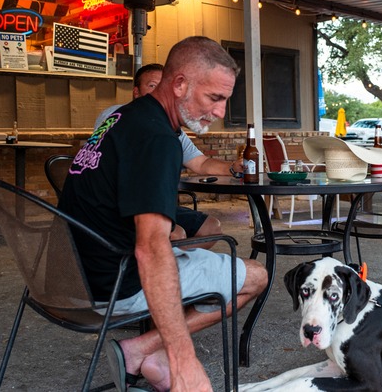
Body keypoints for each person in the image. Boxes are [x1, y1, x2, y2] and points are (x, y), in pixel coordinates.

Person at [59, 36, 267, 392]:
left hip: (69, 273)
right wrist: (184, 360)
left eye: (225, 101)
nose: (219, 113)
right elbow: (151, 250)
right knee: (256, 276)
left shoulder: (122, 118)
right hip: (114, 280)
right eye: (214, 98)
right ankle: (140, 350)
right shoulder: (156, 139)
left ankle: (144, 353)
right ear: (180, 84)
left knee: (187, 243)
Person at [94, 63, 233, 243]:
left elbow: (200, 163)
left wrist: (234, 168)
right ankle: (146, 268)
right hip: (121, 205)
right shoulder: (116, 116)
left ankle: (170, 268)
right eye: (152, 86)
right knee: (176, 234)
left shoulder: (169, 126)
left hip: (154, 203)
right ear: (136, 92)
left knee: (211, 228)